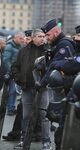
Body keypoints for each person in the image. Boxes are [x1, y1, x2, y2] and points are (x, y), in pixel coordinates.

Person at [12, 28, 51, 150]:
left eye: (43, 36)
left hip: (43, 89)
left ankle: (46, 142)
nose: (42, 38)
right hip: (27, 88)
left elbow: (53, 68)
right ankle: (24, 140)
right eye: (39, 36)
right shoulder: (23, 51)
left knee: (44, 115)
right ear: (33, 38)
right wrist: (19, 79)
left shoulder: (48, 51)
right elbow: (15, 67)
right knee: (26, 115)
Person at [40, 19, 76, 150]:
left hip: (65, 89)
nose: (46, 38)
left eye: (48, 35)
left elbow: (54, 68)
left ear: (56, 32)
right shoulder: (57, 44)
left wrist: (42, 83)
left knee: (62, 122)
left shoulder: (63, 45)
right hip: (63, 87)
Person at [2, 31, 25, 116]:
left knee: (14, 91)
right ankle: (10, 108)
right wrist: (12, 71)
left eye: (23, 38)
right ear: (15, 37)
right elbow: (6, 60)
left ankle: (11, 107)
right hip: (12, 72)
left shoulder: (19, 46)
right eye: (20, 38)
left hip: (16, 72)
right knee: (12, 91)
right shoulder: (10, 46)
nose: (22, 40)